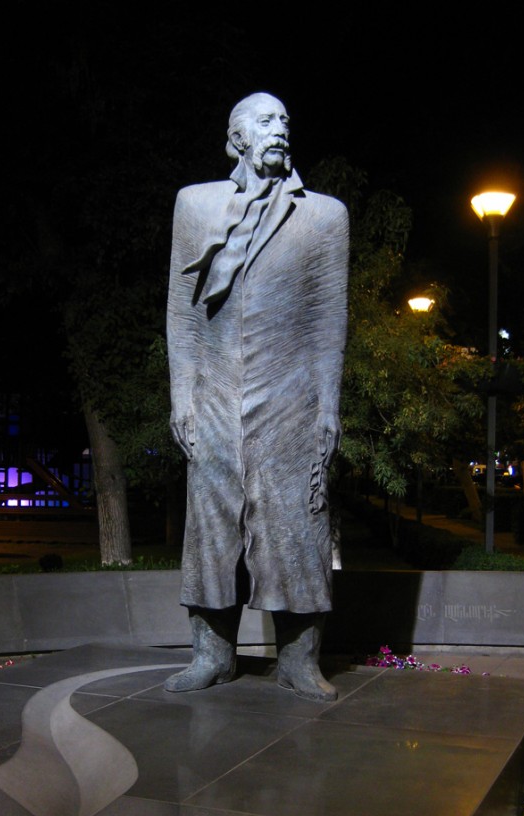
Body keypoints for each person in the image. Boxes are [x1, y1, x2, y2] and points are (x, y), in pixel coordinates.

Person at [165, 92, 349, 701]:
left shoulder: (324, 216)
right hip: (215, 394)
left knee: (298, 524)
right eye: (267, 121)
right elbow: (182, 313)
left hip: (292, 397)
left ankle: (299, 659)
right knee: (211, 525)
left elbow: (329, 321)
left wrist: (328, 407)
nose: (281, 130)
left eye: (286, 122)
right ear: (238, 135)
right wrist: (183, 395)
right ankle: (211, 655)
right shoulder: (196, 204)